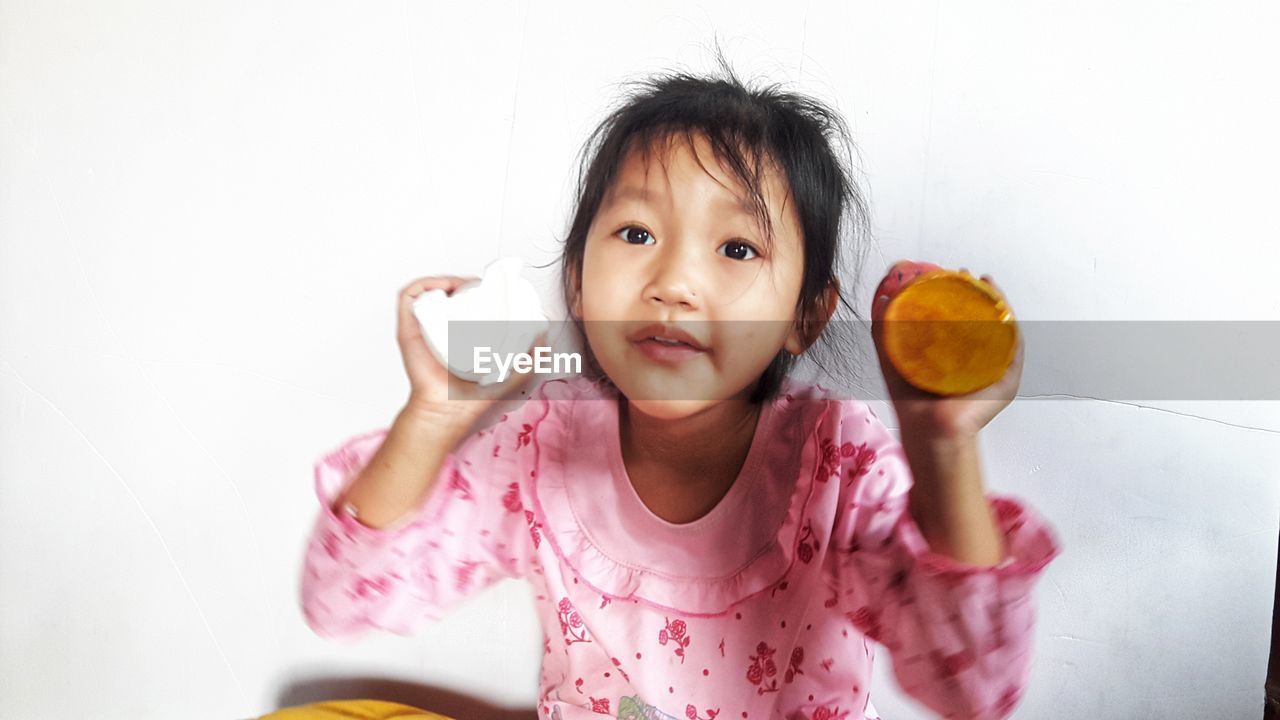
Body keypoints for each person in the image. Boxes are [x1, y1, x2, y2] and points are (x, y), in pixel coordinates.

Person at [290, 56, 1061, 720]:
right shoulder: (542, 437)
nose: (676, 283)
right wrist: (436, 416)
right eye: (635, 235)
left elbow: (974, 688)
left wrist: (942, 448)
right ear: (578, 285)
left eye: (735, 246)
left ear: (806, 315)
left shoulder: (838, 462)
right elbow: (343, 599)